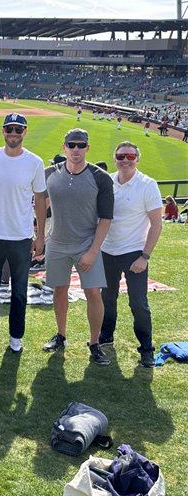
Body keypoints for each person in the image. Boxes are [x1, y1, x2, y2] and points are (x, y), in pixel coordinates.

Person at [42, 128, 114, 365]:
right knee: (59, 289)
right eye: (71, 145)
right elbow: (38, 205)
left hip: (86, 243)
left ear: (87, 148)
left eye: (80, 145)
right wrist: (40, 237)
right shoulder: (49, 173)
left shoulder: (100, 176)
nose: (75, 149)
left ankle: (94, 344)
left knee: (93, 292)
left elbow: (105, 218)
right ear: (64, 147)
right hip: (57, 242)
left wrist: (93, 251)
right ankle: (61, 335)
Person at [0, 114, 46, 354]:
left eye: (19, 129)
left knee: (19, 290)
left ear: (25, 132)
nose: (14, 133)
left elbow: (39, 199)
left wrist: (40, 236)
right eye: (10, 129)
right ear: (3, 131)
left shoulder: (35, 162)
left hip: (21, 237)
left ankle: (16, 336)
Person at [99, 142, 162, 367]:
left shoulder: (147, 185)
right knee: (107, 298)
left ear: (137, 158)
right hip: (107, 251)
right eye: (121, 156)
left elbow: (156, 224)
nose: (125, 160)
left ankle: (146, 348)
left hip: (134, 252)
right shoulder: (107, 181)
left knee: (138, 303)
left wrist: (144, 257)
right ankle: (106, 334)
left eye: (130, 156)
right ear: (115, 158)